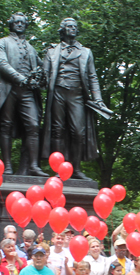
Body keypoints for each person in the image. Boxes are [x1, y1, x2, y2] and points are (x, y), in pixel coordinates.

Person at [42, 17, 109, 179]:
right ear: (63, 30)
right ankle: (59, 170)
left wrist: (98, 99)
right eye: (69, 26)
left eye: (74, 26)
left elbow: (93, 77)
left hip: (77, 95)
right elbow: (44, 76)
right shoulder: (52, 51)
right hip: (57, 92)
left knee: (78, 132)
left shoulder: (86, 52)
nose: (72, 29)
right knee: (57, 131)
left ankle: (76, 170)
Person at [0, 12, 48, 177]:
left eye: (22, 22)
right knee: (5, 126)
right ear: (11, 24)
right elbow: (2, 64)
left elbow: (42, 70)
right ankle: (7, 166)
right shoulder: (2, 43)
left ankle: (33, 166)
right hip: (8, 89)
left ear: (26, 25)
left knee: (34, 125)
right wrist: (21, 78)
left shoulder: (31, 48)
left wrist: (49, 60)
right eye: (16, 22)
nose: (20, 24)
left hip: (28, 92)